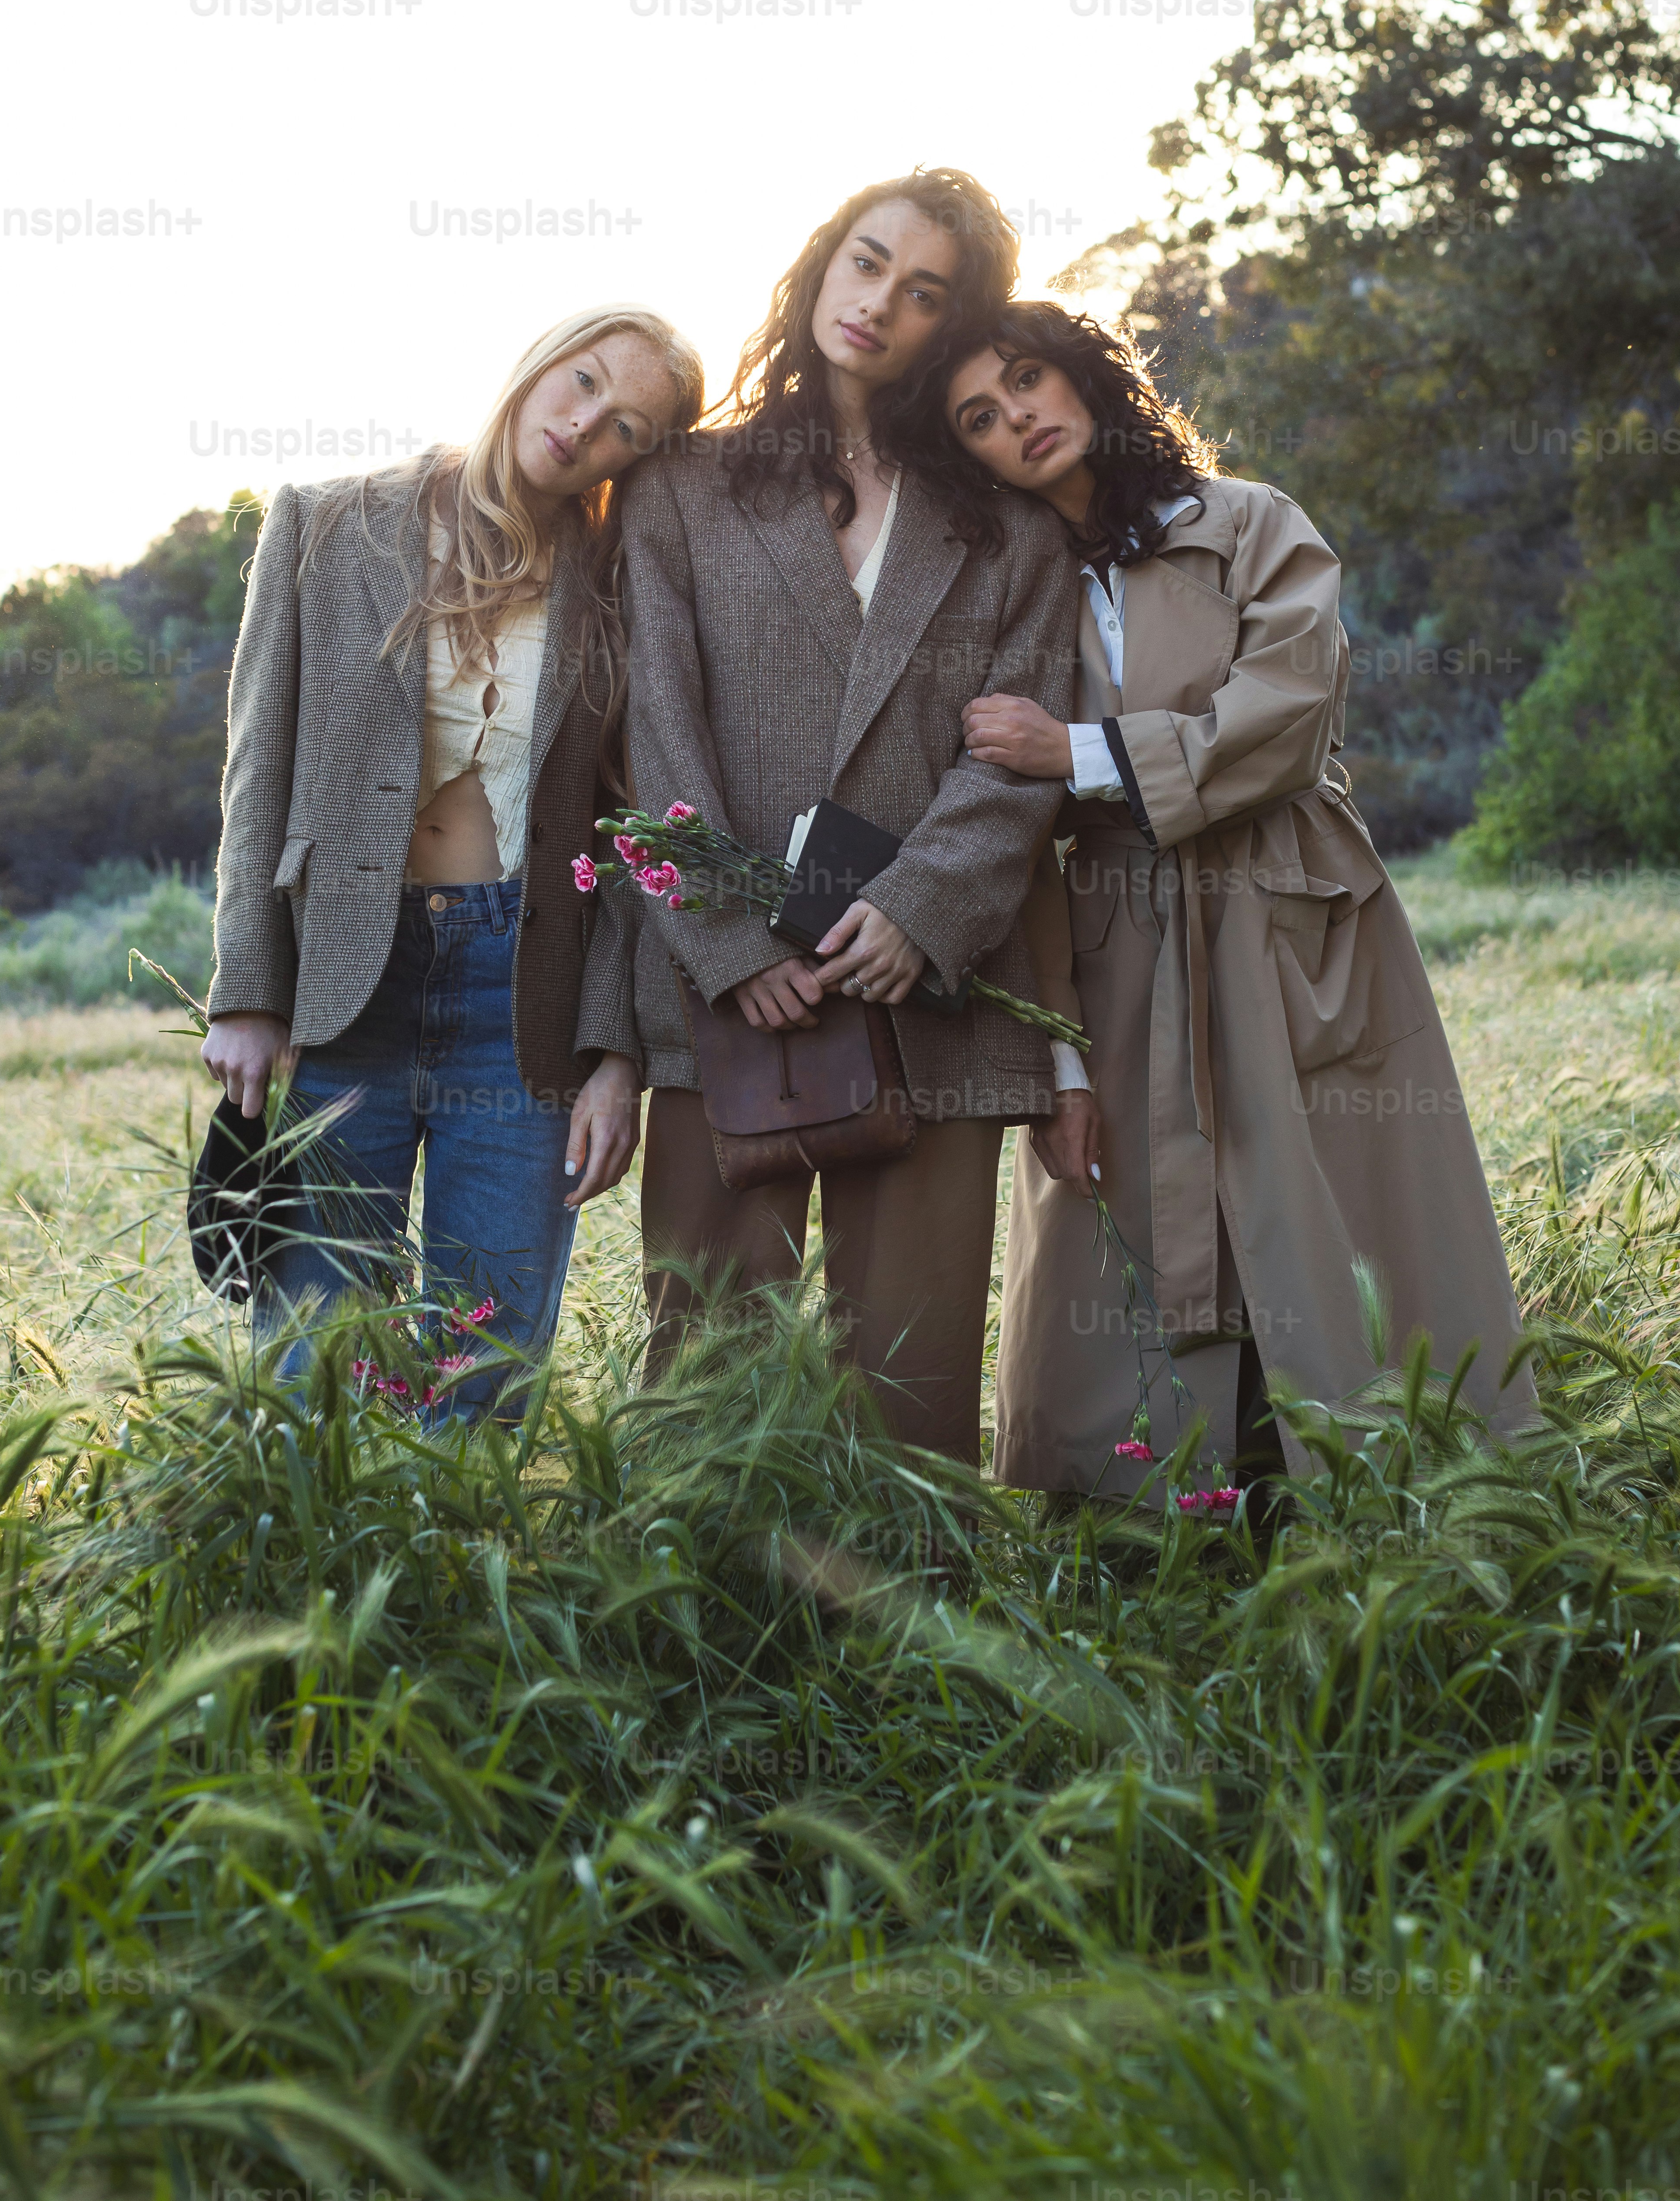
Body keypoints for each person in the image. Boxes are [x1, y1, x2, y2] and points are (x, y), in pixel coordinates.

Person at [913, 299, 1536, 1496]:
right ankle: (1139, 1517)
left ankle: (1419, 1494)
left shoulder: (1249, 523)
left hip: (1292, 921)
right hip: (1108, 940)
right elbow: (1004, 820)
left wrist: (1082, 754)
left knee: (1337, 1216)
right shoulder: (1002, 588)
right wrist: (1061, 1062)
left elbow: (1290, 715)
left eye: (1032, 380)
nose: (1019, 420)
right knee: (1131, 1236)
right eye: (981, 419)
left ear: (1089, 377)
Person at [617, 172, 1080, 1465]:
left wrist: (921, 910)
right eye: (868, 263)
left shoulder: (1008, 526)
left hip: (936, 996)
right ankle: (693, 1645)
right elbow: (652, 726)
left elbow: (1021, 756)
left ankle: (904, 1657)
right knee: (707, 1363)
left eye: (925, 292)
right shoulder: (683, 491)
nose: (881, 303)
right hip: (733, 1005)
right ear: (823, 263)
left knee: (909, 1383)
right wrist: (729, 941)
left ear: (955, 325)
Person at [202, 307, 704, 1413]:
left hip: (523, 998)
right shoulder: (326, 524)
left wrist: (615, 1052)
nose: (583, 427)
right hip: (345, 985)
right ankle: (321, 1585)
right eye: (579, 384)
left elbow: (629, 840)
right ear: (538, 362)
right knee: (314, 1363)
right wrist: (245, 990)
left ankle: (451, 1585)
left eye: (625, 426)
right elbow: (257, 774)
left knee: (483, 1363)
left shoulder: (620, 584)